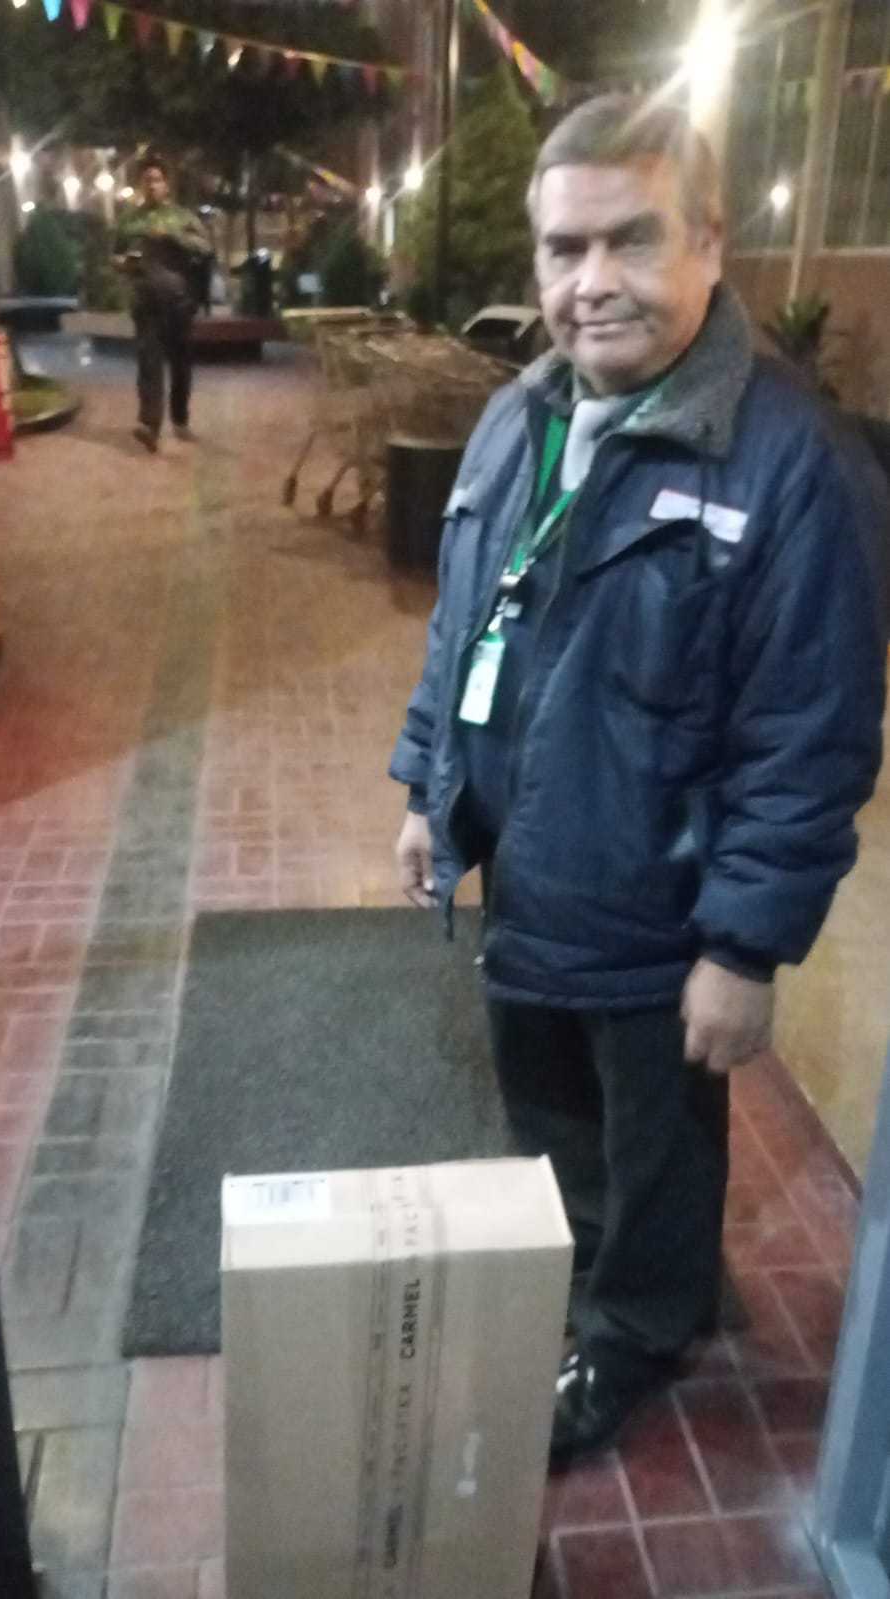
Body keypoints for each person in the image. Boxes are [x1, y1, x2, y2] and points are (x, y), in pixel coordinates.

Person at [390, 95, 887, 1468]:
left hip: (662, 919)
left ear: (708, 244)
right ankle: (581, 1270)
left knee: (656, 1149)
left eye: (630, 239)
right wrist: (428, 787)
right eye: (563, 249)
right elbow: (461, 626)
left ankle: (637, 1329)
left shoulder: (791, 467)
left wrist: (742, 946)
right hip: (528, 874)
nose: (589, 280)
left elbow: (807, 736)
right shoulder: (517, 418)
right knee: (549, 1114)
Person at [113, 157, 212, 453]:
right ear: (140, 184)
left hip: (179, 300)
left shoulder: (182, 217)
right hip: (145, 300)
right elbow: (115, 254)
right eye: (147, 180)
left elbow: (205, 247)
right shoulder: (129, 221)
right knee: (148, 363)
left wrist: (173, 236)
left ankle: (180, 419)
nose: (152, 185)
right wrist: (123, 263)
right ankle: (150, 426)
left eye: (157, 179)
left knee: (181, 363)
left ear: (167, 185)